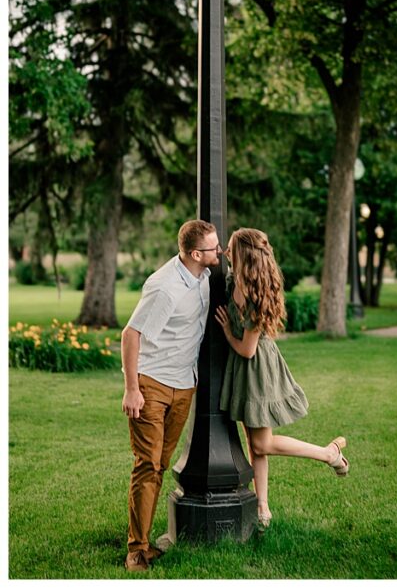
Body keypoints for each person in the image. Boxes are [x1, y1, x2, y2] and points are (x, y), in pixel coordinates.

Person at [215, 227, 349, 532]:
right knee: (255, 443)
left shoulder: (253, 296)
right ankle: (262, 505)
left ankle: (329, 454)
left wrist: (226, 331)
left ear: (242, 254)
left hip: (258, 369)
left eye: (230, 247)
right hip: (243, 369)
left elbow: (248, 350)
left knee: (263, 443)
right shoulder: (233, 280)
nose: (224, 252)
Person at [121, 219, 222, 572]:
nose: (219, 251)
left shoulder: (204, 276)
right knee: (148, 464)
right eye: (214, 248)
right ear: (196, 253)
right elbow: (130, 335)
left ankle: (145, 538)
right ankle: (136, 550)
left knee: (160, 464)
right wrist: (132, 389)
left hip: (184, 384)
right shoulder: (165, 288)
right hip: (151, 384)